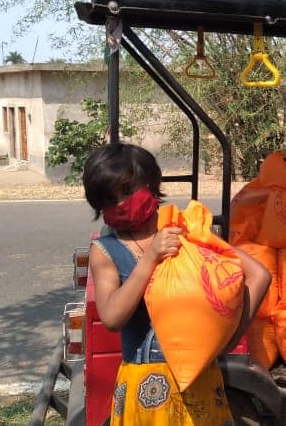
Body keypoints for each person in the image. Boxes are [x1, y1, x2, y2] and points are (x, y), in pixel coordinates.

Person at [82, 142, 271, 425]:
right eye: (108, 200)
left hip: (201, 386)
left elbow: (258, 275)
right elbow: (111, 317)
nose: (119, 205)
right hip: (145, 393)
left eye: (126, 191)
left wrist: (228, 339)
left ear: (150, 183)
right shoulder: (107, 250)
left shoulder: (189, 232)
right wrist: (150, 259)